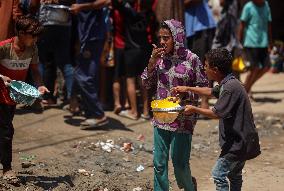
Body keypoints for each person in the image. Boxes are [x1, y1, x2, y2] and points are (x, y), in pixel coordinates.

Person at [172, 48, 261, 191]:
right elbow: (210, 92)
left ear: (215, 70)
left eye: (206, 66)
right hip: (243, 141)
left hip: (236, 144)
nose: (204, 69)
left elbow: (216, 113)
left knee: (218, 174)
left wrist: (194, 109)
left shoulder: (230, 88)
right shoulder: (230, 82)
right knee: (235, 175)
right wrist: (187, 88)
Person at [141, 19, 208, 191]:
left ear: (177, 38)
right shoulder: (159, 59)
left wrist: (186, 93)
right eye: (160, 38)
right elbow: (146, 84)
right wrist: (151, 63)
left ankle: (189, 187)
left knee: (179, 164)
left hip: (183, 119)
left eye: (166, 38)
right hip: (162, 114)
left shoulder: (192, 59)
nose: (162, 42)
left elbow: (203, 88)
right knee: (159, 163)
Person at [0, 15, 49, 184]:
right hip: (0, 93)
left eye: (37, 36)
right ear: (21, 33)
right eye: (32, 35)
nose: (35, 39)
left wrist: (40, 85)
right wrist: (1, 76)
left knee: (5, 130)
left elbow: (35, 70)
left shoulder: (32, 49)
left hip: (11, 96)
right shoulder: (4, 48)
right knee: (6, 131)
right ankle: (7, 169)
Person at [70, 0, 110, 128]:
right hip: (88, 36)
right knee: (87, 76)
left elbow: (106, 1)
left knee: (83, 76)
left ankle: (98, 115)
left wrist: (81, 7)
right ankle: (91, 113)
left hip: (92, 37)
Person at [113, 0, 154, 120]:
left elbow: (119, 4)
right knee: (143, 81)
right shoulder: (149, 13)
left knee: (130, 81)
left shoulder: (128, 11)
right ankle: (146, 112)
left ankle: (134, 111)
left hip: (131, 49)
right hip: (145, 49)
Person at [239, 0, 272, 97]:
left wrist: (270, 41)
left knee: (266, 67)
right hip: (251, 42)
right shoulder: (248, 7)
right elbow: (242, 24)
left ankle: (246, 87)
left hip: (264, 42)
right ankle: (245, 91)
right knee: (254, 68)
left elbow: (269, 24)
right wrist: (239, 42)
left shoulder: (266, 5)